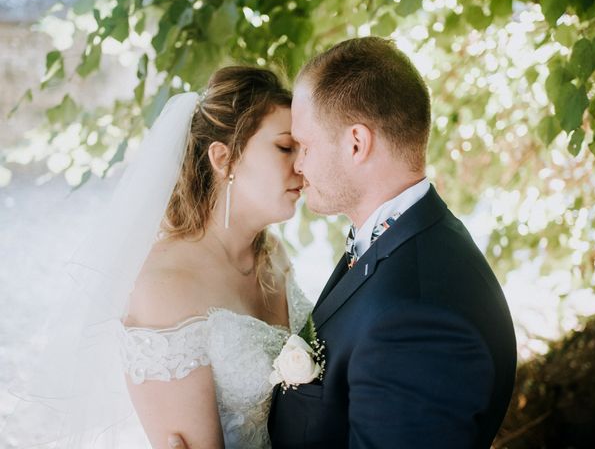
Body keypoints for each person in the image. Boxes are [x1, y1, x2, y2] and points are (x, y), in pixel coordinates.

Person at [168, 37, 516, 449]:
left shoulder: (416, 315)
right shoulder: (396, 242)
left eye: (306, 146)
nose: (298, 165)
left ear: (356, 143)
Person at [3, 66, 312, 449]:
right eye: (285, 147)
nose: (302, 164)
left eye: (303, 149)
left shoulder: (273, 256)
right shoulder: (164, 286)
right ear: (223, 159)